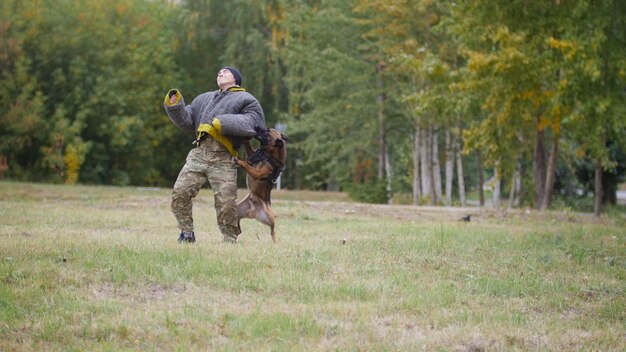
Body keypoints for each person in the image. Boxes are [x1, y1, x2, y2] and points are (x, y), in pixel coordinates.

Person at [163, 67, 266, 243]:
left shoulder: (246, 99)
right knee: (179, 194)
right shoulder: (204, 98)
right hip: (199, 154)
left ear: (236, 80)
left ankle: (230, 241)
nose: (220, 73)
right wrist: (175, 106)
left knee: (226, 205)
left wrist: (221, 123)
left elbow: (254, 123)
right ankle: (187, 233)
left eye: (225, 72)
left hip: (224, 158)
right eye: (218, 72)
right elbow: (187, 122)